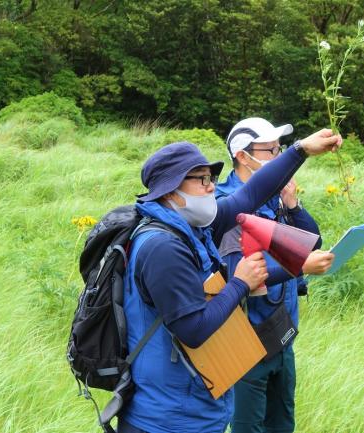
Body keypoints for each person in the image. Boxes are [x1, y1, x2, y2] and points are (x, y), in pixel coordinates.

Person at [117, 128, 342, 433]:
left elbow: (250, 194)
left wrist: (301, 149)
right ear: (171, 192)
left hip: (193, 408)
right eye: (202, 180)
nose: (211, 187)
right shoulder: (163, 247)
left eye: (211, 179)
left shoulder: (191, 225)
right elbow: (193, 329)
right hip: (165, 420)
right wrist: (240, 284)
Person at [215, 118, 334, 433]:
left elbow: (311, 243)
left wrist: (292, 205)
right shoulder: (227, 207)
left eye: (281, 150)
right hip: (246, 342)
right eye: (271, 151)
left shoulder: (274, 198)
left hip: (282, 334)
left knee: (282, 425)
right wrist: (300, 265)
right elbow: (237, 274)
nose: (279, 158)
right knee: (248, 427)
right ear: (242, 155)